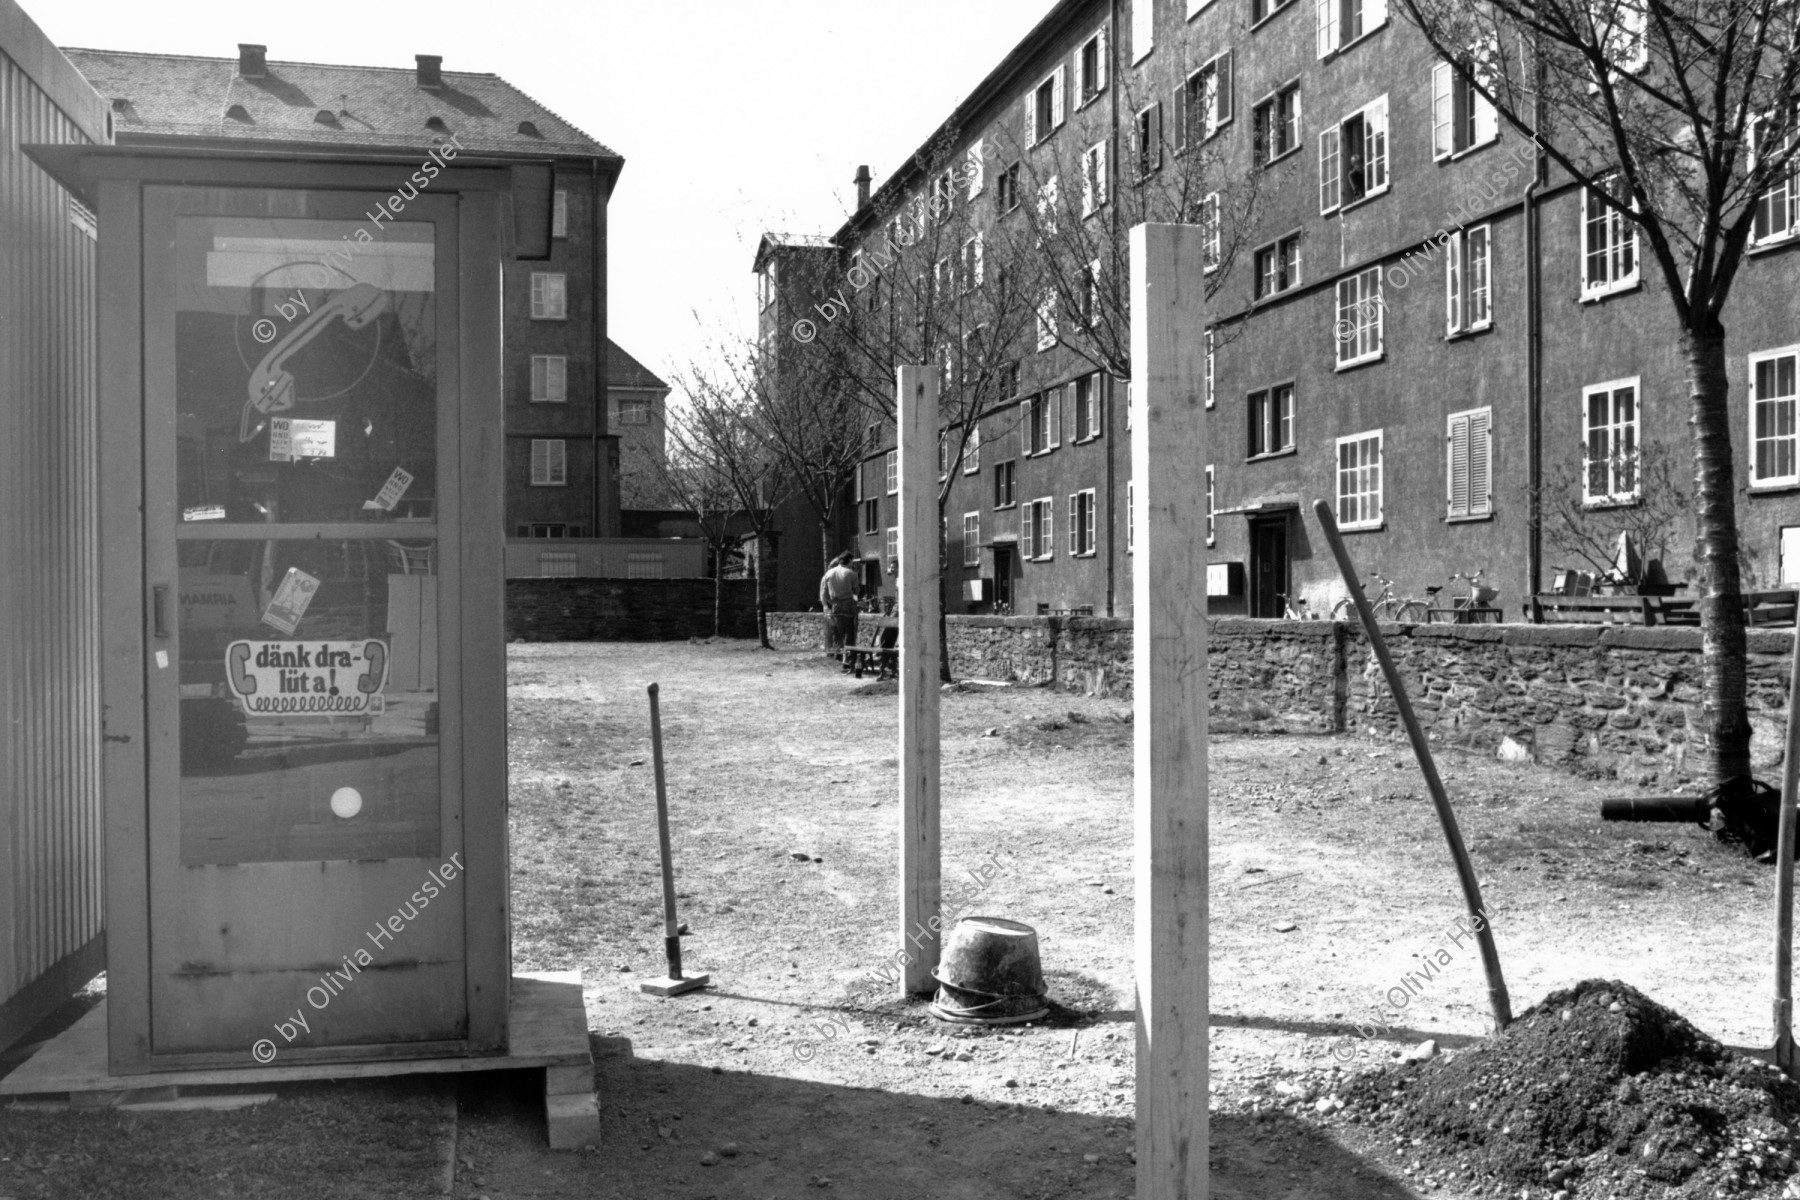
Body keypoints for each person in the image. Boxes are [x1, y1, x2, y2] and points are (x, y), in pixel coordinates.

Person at [819, 551, 861, 663]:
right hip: (848, 603)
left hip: (835, 605)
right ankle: (848, 658)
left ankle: (838, 655)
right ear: (850, 560)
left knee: (837, 631)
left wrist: (830, 603)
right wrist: (854, 600)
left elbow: (824, 594)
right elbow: (856, 592)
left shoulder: (828, 573)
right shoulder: (851, 573)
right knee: (849, 631)